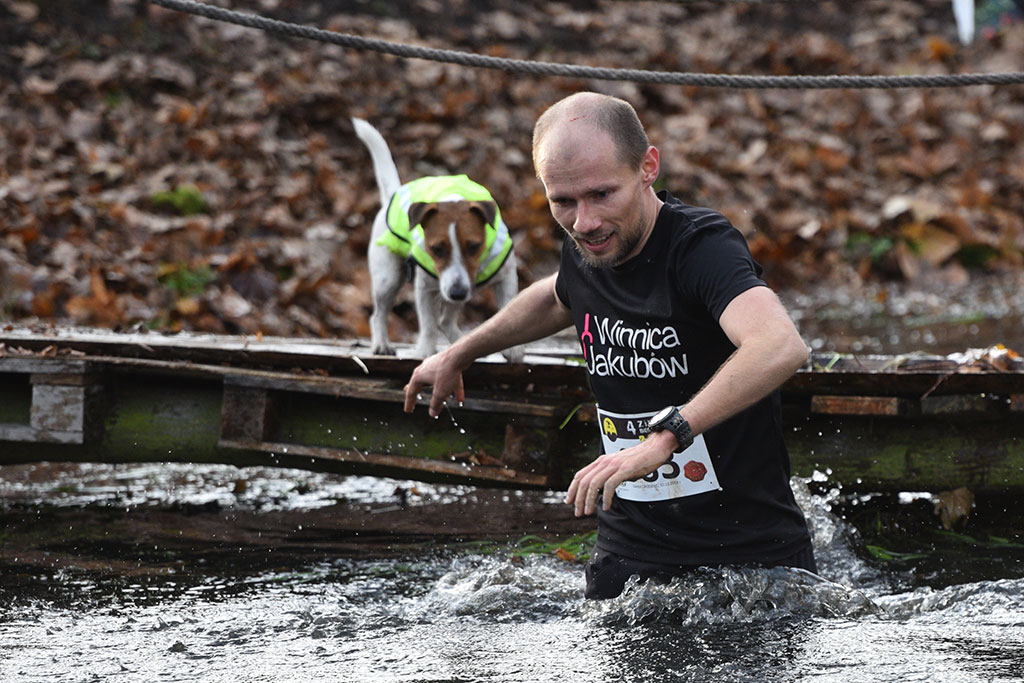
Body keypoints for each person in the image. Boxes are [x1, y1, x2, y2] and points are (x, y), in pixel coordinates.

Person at [402, 91, 816, 599]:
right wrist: (458, 352)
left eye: (602, 194)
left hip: (749, 561)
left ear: (648, 167)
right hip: (630, 552)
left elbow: (779, 344)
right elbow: (556, 297)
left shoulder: (700, 248)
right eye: (563, 202)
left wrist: (666, 437)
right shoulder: (590, 244)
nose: (584, 222)